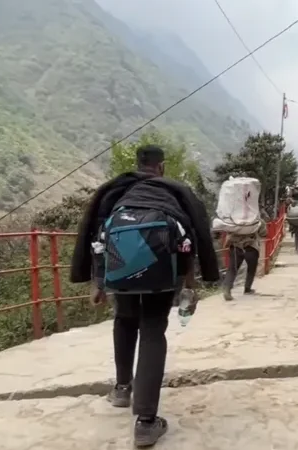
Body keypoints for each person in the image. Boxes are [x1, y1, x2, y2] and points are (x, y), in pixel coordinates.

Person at [69, 144, 219, 447]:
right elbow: (191, 236)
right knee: (152, 330)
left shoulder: (116, 191)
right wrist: (193, 282)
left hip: (121, 266)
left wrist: (97, 283)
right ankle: (146, 422)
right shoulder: (175, 191)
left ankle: (122, 389)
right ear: (161, 167)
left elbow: (97, 234)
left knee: (124, 320)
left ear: (137, 165)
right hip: (163, 269)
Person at [220, 216, 268, 301]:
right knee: (251, 269)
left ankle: (227, 289)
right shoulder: (257, 220)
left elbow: (226, 230)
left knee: (232, 269)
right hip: (251, 247)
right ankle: (247, 288)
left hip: (235, 247)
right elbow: (263, 233)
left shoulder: (232, 220)